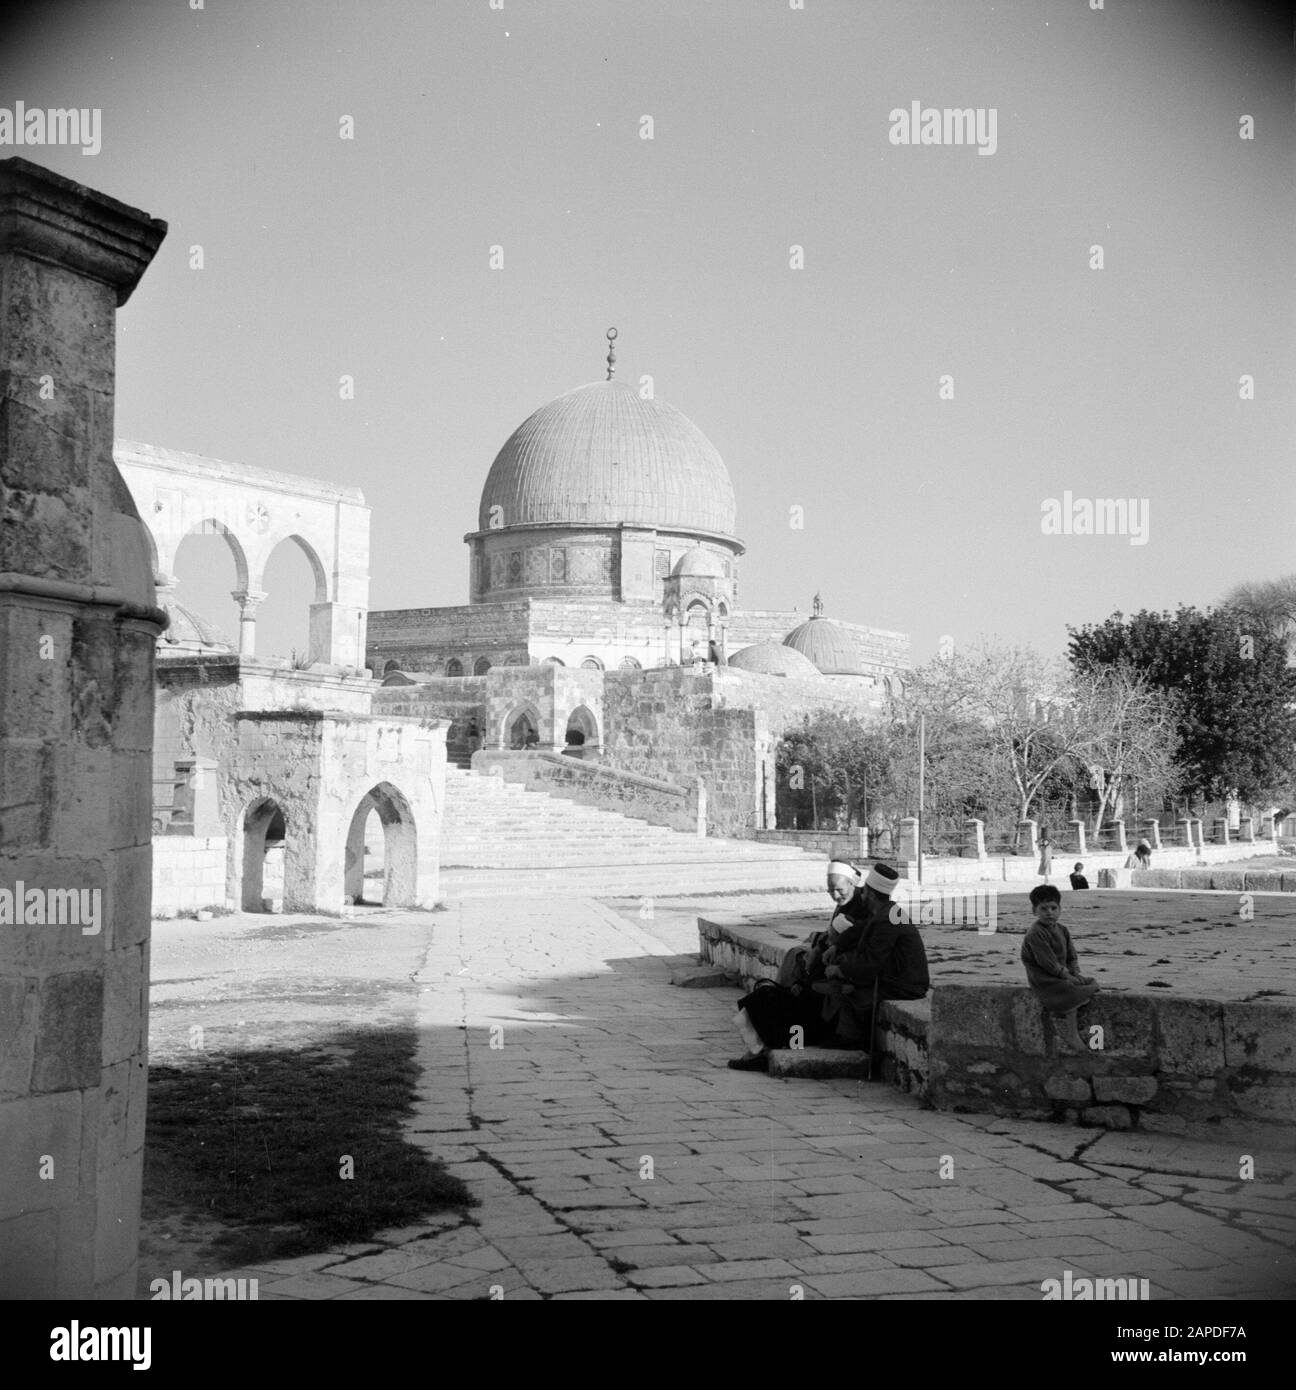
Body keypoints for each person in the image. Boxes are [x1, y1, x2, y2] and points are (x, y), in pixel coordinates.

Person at [728, 860, 912, 1070]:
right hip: (825, 979)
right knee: (767, 998)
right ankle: (758, 1049)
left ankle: (760, 1050)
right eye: (831, 890)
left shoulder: (877, 916)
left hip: (839, 985)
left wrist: (833, 965)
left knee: (770, 1001)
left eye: (840, 890)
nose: (835, 895)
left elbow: (862, 955)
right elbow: (843, 940)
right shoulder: (873, 912)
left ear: (863, 890)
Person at [816, 862, 930, 1049]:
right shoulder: (885, 912)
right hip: (898, 978)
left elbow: (869, 964)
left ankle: (851, 1039)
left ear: (869, 893)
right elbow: (861, 929)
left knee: (846, 989)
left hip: (904, 984)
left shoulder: (887, 919)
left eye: (866, 892)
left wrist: (840, 969)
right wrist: (837, 947)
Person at [1020, 883, 1098, 1055]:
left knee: (1090, 983)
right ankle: (1070, 1033)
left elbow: (1071, 955)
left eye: (1053, 908)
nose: (1049, 912)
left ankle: (1092, 1037)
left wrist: (1074, 971)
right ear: (1035, 911)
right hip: (1044, 978)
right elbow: (1047, 962)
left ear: (1060, 909)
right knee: (1070, 990)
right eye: (1044, 908)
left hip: (1062, 973)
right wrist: (1067, 977)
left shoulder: (1062, 930)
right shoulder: (1035, 933)